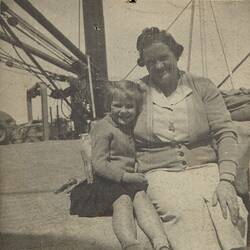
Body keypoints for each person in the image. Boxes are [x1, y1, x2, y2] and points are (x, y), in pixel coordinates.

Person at [132, 27, 248, 250]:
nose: (158, 66)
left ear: (176, 54)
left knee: (228, 212)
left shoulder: (202, 86)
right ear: (144, 64)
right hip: (161, 173)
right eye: (150, 62)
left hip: (206, 169)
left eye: (164, 58)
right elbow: (114, 127)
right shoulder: (136, 91)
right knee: (188, 216)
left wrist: (225, 180)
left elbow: (225, 133)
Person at [70, 80, 170, 250]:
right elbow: (99, 164)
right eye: (118, 106)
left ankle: (160, 241)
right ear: (109, 105)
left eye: (129, 106)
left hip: (125, 181)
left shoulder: (131, 127)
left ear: (137, 108)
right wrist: (126, 176)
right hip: (105, 182)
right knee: (123, 201)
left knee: (141, 198)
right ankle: (130, 243)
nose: (123, 111)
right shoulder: (104, 127)